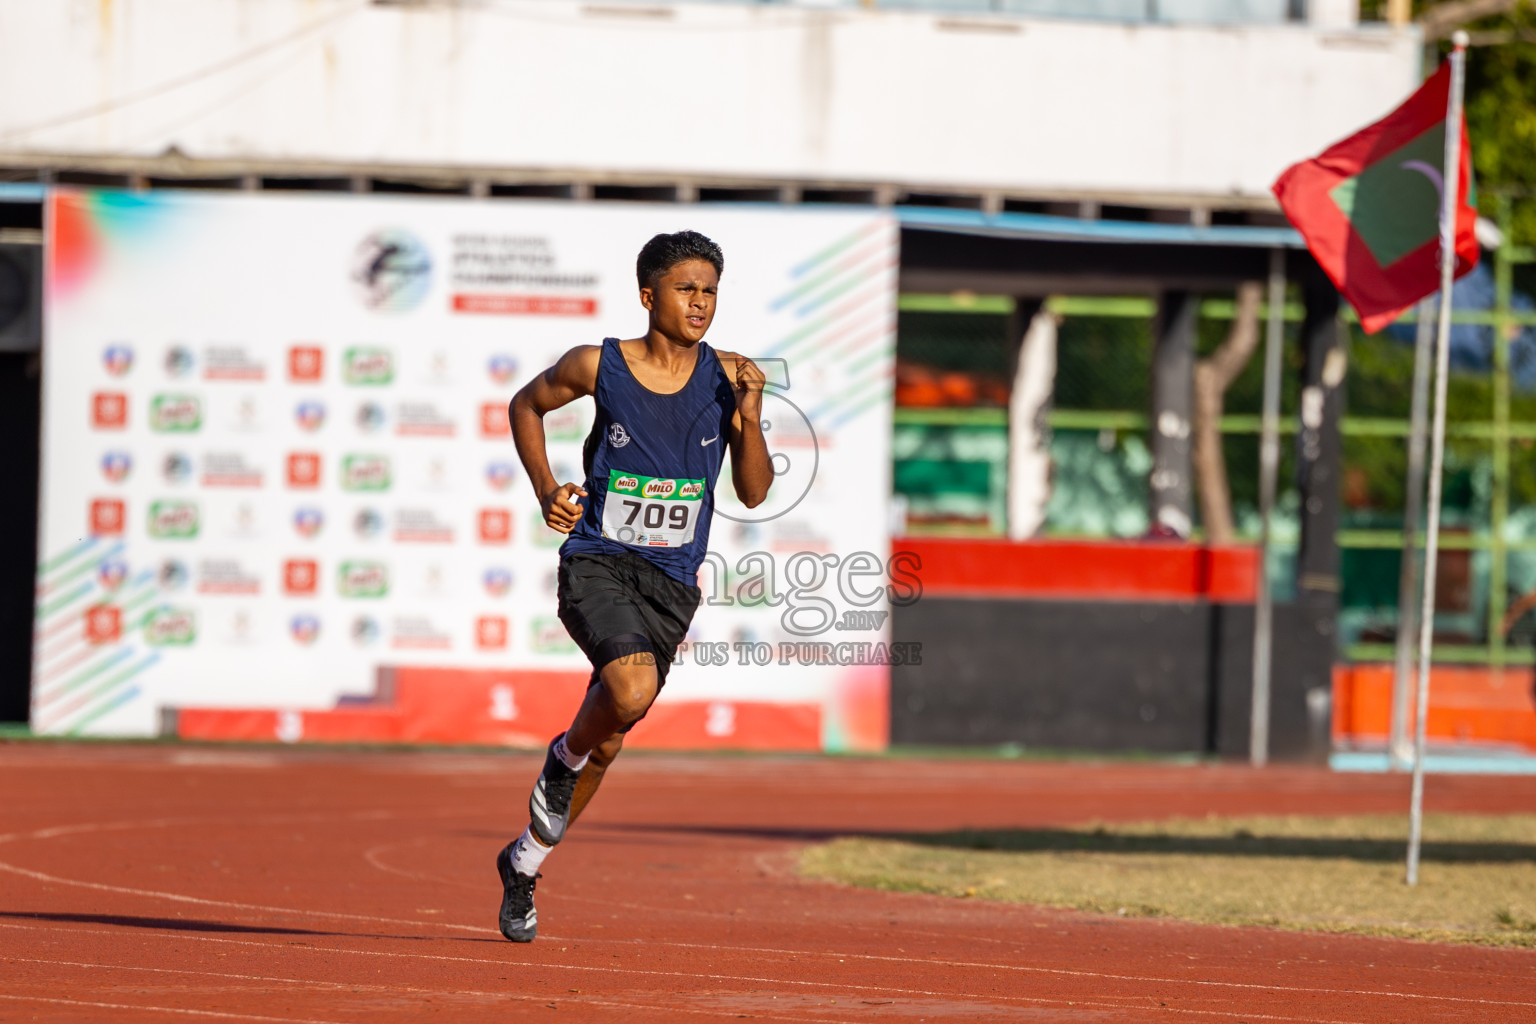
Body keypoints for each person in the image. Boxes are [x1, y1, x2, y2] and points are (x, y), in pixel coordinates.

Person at [497, 230, 773, 942]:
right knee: (628, 690)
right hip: (596, 560)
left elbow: (751, 491)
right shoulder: (600, 364)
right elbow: (525, 406)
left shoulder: (728, 377)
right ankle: (561, 763)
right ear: (649, 296)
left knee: (613, 736)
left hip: (671, 584)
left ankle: (524, 864)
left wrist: (749, 415)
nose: (700, 303)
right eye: (686, 289)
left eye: (710, 290)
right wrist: (544, 488)